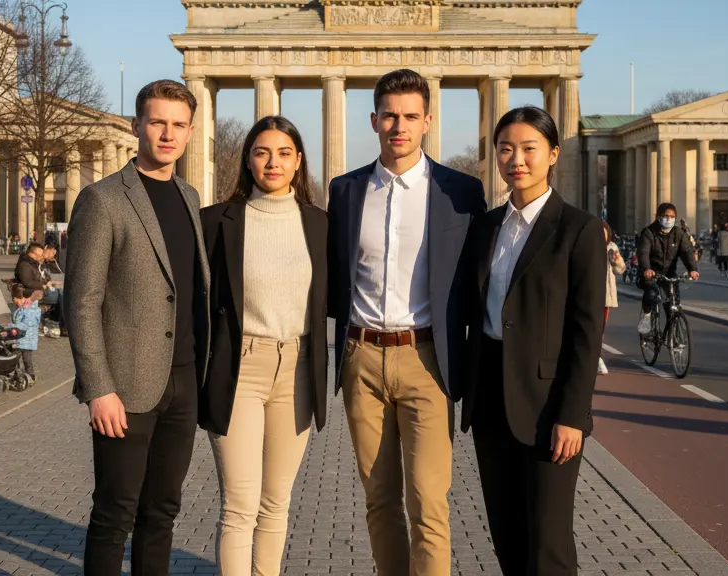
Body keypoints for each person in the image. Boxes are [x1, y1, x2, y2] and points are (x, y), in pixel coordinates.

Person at [326, 69, 486, 575]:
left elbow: (477, 281)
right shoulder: (346, 190)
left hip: (427, 360)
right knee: (379, 501)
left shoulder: (462, 192)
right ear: (373, 119)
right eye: (390, 115)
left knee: (429, 505)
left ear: (428, 121)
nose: (399, 126)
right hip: (362, 357)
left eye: (410, 116)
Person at [64, 79, 210, 575]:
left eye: (178, 125)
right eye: (157, 122)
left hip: (184, 381)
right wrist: (98, 388)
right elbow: (82, 302)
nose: (167, 134)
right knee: (114, 515)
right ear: (136, 126)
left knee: (162, 513)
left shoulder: (190, 198)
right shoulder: (103, 199)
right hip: (125, 386)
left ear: (190, 132)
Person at [456, 106, 605, 576]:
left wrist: (572, 415)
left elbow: (586, 333)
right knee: (506, 537)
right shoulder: (484, 227)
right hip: (491, 401)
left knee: (549, 543)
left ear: (553, 154)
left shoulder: (578, 229)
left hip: (548, 407)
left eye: (528, 149)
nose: (515, 159)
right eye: (505, 149)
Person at [199, 116, 328, 576]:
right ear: (248, 160)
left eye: (284, 153)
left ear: (298, 162)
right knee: (239, 503)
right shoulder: (217, 221)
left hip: (297, 367)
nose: (273, 162)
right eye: (261, 152)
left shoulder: (319, 224)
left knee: (276, 503)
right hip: (240, 368)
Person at [636, 203, 700, 334]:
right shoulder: (649, 232)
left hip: (669, 275)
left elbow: (687, 252)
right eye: (666, 216)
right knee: (652, 294)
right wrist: (647, 269)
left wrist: (692, 269)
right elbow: (643, 253)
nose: (669, 219)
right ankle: (646, 316)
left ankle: (674, 335)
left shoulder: (678, 233)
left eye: (672, 217)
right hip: (651, 273)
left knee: (673, 305)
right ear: (659, 217)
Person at [600, 221, 626, 375]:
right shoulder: (586, 245)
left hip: (605, 294)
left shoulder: (612, 247)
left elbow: (621, 269)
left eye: (604, 231)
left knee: (601, 327)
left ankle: (596, 355)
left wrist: (616, 260)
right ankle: (595, 357)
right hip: (589, 292)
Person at [9, 283, 41, 384]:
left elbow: (26, 324)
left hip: (26, 339)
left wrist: (11, 328)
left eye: (15, 300)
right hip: (19, 338)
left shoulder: (30, 309)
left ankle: (30, 375)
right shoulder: (20, 308)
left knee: (27, 359)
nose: (15, 302)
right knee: (17, 359)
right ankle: (18, 374)